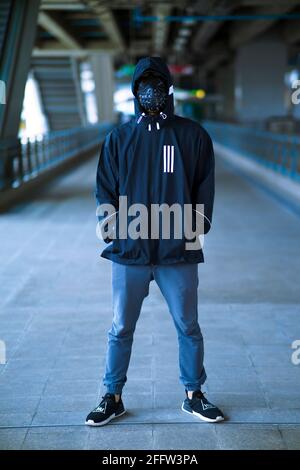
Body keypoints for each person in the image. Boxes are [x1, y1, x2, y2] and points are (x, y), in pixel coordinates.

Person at [86, 57, 224, 426]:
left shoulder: (192, 136)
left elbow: (204, 188)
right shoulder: (119, 139)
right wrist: (112, 227)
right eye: (144, 82)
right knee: (120, 327)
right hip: (130, 252)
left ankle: (194, 395)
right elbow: (105, 190)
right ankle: (111, 396)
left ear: (169, 88)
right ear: (134, 90)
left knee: (187, 325)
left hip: (176, 254)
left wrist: (193, 232)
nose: (151, 90)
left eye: (157, 81)